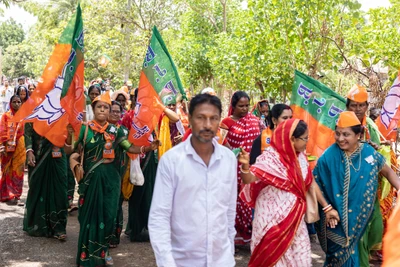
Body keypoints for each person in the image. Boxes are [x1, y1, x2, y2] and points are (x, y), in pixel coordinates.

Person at [65, 93, 159, 266]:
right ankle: (86, 255)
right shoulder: (84, 129)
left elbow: (129, 147)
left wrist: (148, 147)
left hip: (111, 181)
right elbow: (70, 151)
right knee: (88, 218)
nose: (102, 110)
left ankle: (103, 251)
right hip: (90, 181)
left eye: (105, 107)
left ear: (109, 111)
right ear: (93, 109)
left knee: (108, 216)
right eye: (99, 107)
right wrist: (68, 137)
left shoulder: (117, 131)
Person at [149, 93, 237, 266]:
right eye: (201, 118)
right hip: (183, 262)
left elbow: (229, 211)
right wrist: (167, 263)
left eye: (213, 118)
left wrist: (229, 252)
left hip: (222, 261)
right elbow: (159, 217)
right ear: (189, 119)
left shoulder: (228, 159)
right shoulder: (172, 161)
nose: (207, 125)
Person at [238, 119, 336, 266]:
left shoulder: (301, 158)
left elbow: (310, 183)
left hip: (295, 220)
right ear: (292, 139)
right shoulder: (271, 158)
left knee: (301, 259)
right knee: (273, 260)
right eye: (304, 139)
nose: (307, 142)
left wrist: (326, 207)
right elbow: (249, 179)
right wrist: (245, 166)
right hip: (271, 222)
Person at [313, 111, 400, 266]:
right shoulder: (328, 156)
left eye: (346, 134)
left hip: (363, 220)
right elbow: (313, 183)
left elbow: (387, 171)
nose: (340, 139)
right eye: (338, 134)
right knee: (339, 260)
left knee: (361, 257)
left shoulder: (369, 152)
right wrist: (326, 208)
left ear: (358, 135)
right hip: (336, 222)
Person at [346, 84, 394, 262]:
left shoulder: (370, 127)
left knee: (374, 233)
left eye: (361, 105)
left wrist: (376, 149)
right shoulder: (340, 124)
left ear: (366, 106)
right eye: (353, 105)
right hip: (346, 192)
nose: (358, 109)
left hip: (369, 190)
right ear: (347, 106)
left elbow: (380, 161)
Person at [220, 90, 260, 245]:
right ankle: (233, 237)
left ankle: (249, 235)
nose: (244, 109)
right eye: (241, 106)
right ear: (233, 106)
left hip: (249, 166)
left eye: (246, 106)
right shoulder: (226, 123)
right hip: (231, 167)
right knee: (232, 200)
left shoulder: (254, 120)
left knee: (249, 198)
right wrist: (234, 153)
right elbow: (222, 143)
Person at [23, 122, 68, 240]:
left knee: (59, 189)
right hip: (38, 155)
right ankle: (37, 225)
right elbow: (27, 132)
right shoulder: (34, 108)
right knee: (37, 188)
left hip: (58, 155)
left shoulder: (63, 108)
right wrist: (29, 151)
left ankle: (59, 228)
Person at [108, 100, 129, 248]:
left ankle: (114, 236)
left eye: (118, 111)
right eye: (112, 111)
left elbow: (129, 148)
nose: (115, 114)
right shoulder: (99, 130)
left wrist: (144, 149)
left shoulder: (123, 131)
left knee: (116, 203)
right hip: (102, 172)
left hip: (119, 171)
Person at [0, 95, 26, 205]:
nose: (16, 104)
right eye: (14, 102)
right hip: (8, 147)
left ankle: (16, 195)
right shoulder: (6, 116)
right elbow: (2, 130)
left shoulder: (25, 116)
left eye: (18, 102)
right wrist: (3, 144)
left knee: (18, 170)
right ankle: (6, 193)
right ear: (10, 103)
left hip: (21, 146)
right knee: (7, 170)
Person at [157, 94, 181, 158]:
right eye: (169, 105)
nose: (172, 107)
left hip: (176, 150)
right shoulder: (163, 117)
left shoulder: (178, 114)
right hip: (165, 149)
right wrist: (162, 107)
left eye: (173, 105)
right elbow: (176, 118)